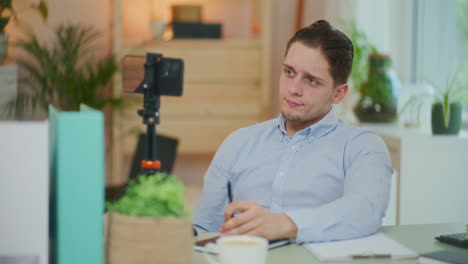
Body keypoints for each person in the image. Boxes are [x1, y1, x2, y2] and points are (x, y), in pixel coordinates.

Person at [192, 20, 392, 243]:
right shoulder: (238, 142)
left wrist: (285, 224)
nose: (294, 89)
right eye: (289, 72)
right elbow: (204, 229)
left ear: (338, 94)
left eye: (311, 81)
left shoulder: (362, 146)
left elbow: (366, 210)